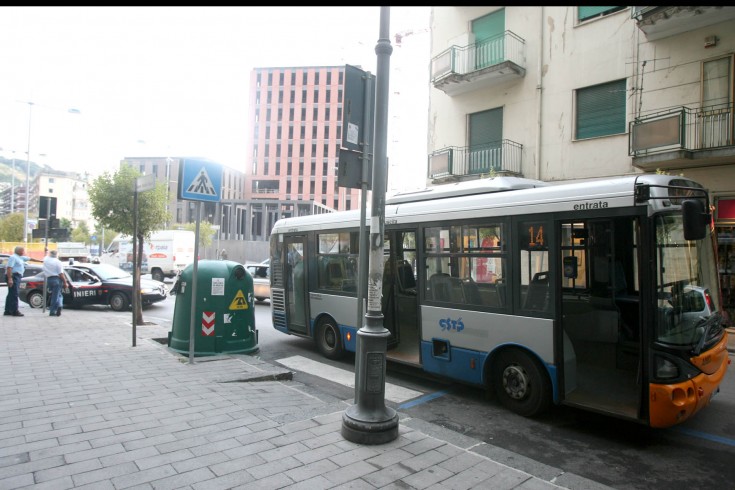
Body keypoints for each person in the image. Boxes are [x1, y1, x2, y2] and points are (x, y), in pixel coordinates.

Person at [4, 246, 30, 317]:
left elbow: (29, 258)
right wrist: (10, 279)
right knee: (14, 294)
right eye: (23, 251)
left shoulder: (20, 257)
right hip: (13, 276)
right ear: (18, 251)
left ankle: (8, 310)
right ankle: (15, 311)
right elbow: (9, 268)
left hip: (17, 276)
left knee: (11, 293)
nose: (24, 252)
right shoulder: (13, 257)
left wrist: (41, 261)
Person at [43, 250, 67, 317]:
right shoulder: (58, 262)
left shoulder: (46, 259)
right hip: (57, 279)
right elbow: (61, 274)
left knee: (57, 295)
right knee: (56, 296)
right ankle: (56, 308)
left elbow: (46, 255)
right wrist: (65, 282)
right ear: (57, 255)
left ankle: (57, 307)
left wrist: (46, 250)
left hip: (49, 279)